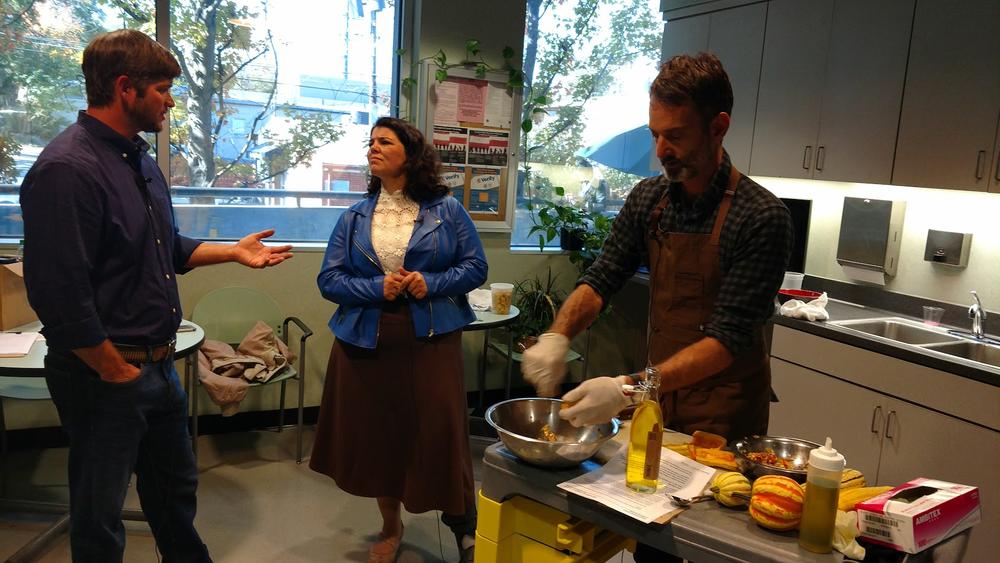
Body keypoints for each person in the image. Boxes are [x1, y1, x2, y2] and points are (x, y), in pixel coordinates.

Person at [19, 30, 293, 563]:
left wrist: (233, 253)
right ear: (126, 88)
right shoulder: (67, 169)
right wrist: (113, 368)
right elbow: (57, 293)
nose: (170, 100)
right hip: (106, 377)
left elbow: (162, 247)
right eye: (164, 88)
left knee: (174, 496)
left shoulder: (138, 162)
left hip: (160, 369)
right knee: (100, 516)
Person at [522, 53, 793, 561]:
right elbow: (602, 279)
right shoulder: (650, 200)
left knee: (708, 545)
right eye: (655, 135)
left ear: (719, 127)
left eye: (677, 135)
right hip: (659, 409)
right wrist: (558, 335)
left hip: (723, 422)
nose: (662, 150)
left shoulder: (761, 217)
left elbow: (727, 341)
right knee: (656, 543)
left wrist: (627, 388)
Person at [311, 116, 487, 563]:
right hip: (366, 341)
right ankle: (390, 527)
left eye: (383, 141)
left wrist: (432, 282)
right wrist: (375, 288)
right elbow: (329, 279)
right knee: (380, 437)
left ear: (409, 154)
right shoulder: (353, 217)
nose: (372, 148)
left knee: (441, 432)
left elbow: (475, 267)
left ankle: (465, 528)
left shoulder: (447, 209)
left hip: (430, 336)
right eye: (370, 142)